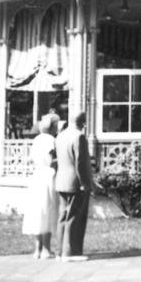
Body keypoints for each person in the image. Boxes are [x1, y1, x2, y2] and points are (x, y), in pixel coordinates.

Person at [55, 111, 92, 262]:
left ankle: (59, 251)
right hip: (75, 182)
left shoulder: (60, 136)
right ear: (83, 122)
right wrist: (85, 183)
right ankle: (70, 252)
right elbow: (80, 163)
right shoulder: (79, 137)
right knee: (74, 217)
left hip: (61, 180)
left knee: (63, 216)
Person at [21, 114, 60, 259]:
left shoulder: (36, 140)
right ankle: (46, 248)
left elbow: (32, 159)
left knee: (37, 211)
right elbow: (51, 160)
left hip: (36, 175)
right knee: (47, 210)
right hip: (48, 176)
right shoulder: (52, 140)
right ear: (53, 127)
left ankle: (37, 248)